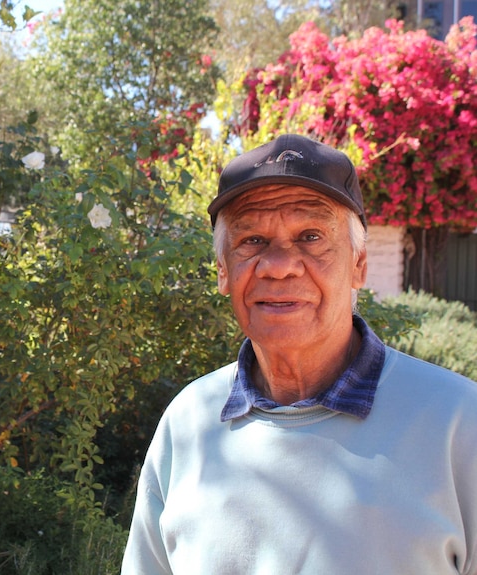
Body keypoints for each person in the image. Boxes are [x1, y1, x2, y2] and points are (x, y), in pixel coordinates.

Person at [121, 134, 477, 574]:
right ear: (223, 272)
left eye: (310, 236)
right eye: (252, 240)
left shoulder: (460, 424)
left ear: (359, 264)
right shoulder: (187, 423)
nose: (279, 264)